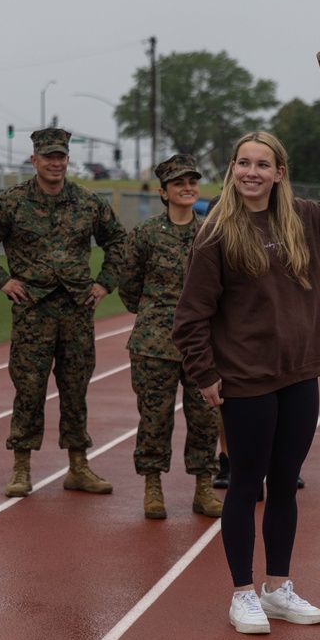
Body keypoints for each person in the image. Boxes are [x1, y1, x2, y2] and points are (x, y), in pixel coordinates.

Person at [173, 125, 320, 635]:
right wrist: (204, 373)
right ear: (232, 170)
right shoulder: (216, 232)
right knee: (247, 483)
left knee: (286, 484)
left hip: (300, 374)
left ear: (279, 173)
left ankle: (278, 588)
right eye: (244, 163)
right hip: (245, 378)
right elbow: (190, 317)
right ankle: (242, 593)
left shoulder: (305, 219)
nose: (252, 172)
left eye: (262, 164)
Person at [0, 128, 127, 498]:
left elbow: (118, 241)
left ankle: (78, 466)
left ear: (68, 159)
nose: (56, 162)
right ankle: (21, 467)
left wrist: (105, 283)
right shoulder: (11, 203)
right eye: (48, 156)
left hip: (77, 310)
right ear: (34, 159)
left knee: (75, 389)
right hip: (32, 310)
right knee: (29, 389)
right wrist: (1, 279)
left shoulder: (88, 202)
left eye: (61, 156)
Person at [119, 154, 222, 520]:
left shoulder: (213, 232)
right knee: (154, 419)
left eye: (192, 182)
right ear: (163, 192)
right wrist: (155, 315)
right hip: (154, 345)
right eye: (179, 183)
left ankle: (203, 488)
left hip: (203, 345)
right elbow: (129, 287)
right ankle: (153, 487)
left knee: (206, 419)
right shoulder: (145, 234)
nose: (188, 188)